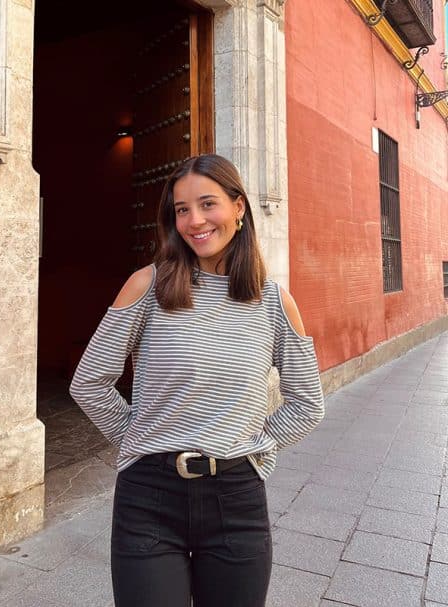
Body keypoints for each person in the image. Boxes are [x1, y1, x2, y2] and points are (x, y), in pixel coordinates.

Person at [70, 154, 324, 607]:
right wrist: (138, 437)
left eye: (208, 204)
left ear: (239, 207)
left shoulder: (273, 301)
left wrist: (254, 444)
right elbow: (89, 380)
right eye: (181, 209)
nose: (194, 221)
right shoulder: (147, 286)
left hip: (236, 499)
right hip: (149, 497)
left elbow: (308, 403)